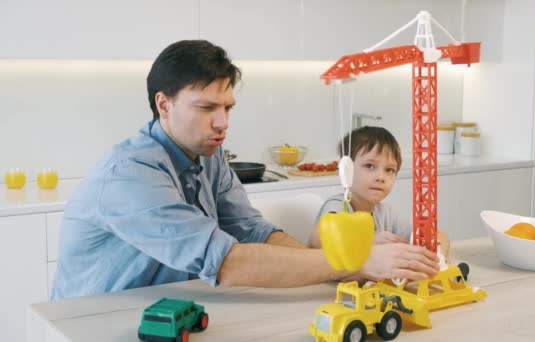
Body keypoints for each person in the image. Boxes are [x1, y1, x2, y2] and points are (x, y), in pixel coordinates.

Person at [51, 40, 439, 300]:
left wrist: (343, 263)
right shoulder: (130, 175)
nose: (222, 123)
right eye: (206, 108)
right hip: (93, 320)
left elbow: (254, 230)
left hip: (172, 305)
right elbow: (227, 262)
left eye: (228, 108)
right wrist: (351, 263)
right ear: (164, 104)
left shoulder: (209, 155)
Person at [309, 126, 450, 279]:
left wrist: (436, 255)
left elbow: (439, 235)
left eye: (389, 170)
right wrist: (366, 242)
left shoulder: (387, 213)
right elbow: (318, 239)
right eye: (370, 166)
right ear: (346, 170)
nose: (380, 177)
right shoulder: (337, 205)